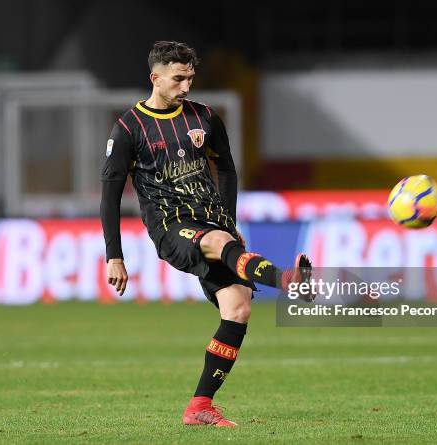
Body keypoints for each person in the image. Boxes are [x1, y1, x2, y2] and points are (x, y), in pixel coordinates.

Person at [100, 41, 312, 428]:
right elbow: (110, 194)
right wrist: (114, 255)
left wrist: (228, 222)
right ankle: (287, 280)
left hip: (212, 222)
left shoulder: (204, 118)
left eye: (190, 78)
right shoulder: (129, 127)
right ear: (156, 78)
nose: (186, 86)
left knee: (238, 309)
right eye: (178, 79)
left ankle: (200, 406)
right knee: (219, 244)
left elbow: (227, 170)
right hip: (170, 226)